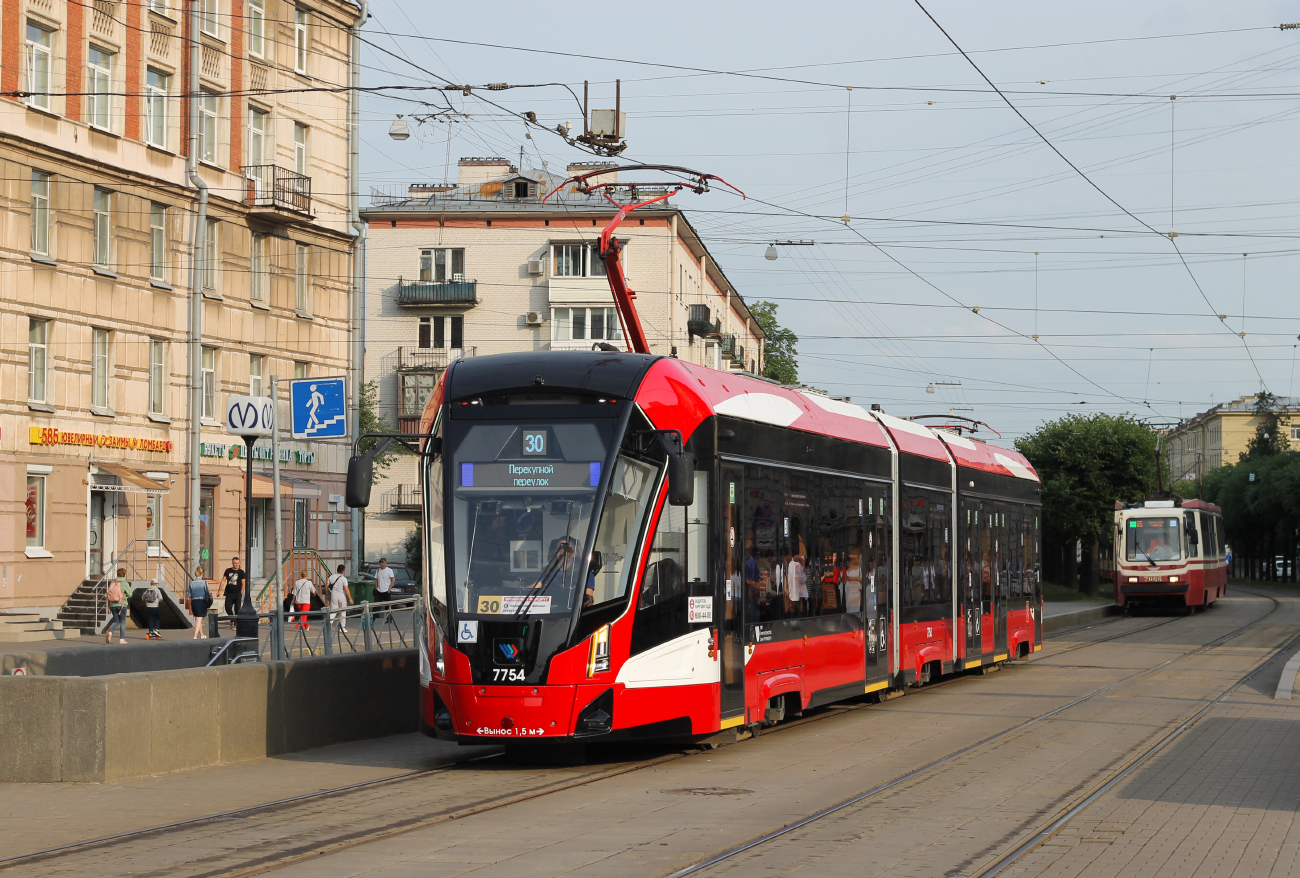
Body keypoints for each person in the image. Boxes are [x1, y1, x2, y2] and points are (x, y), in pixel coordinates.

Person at [105, 567, 131, 644]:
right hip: (122, 604)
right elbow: (130, 594)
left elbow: (106, 594)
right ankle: (121, 639)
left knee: (116, 621)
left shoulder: (113, 583)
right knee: (123, 621)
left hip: (112, 604)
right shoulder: (124, 583)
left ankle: (110, 632)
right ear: (124, 575)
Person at [221, 557, 247, 625]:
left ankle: (236, 624)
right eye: (235, 563)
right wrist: (219, 590)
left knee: (237, 609)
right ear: (232, 563)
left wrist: (241, 593)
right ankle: (232, 620)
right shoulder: (228, 571)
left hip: (237, 593)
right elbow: (223, 580)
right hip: (229, 593)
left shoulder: (241, 572)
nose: (236, 565)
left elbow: (243, 583)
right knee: (227, 608)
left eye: (237, 563)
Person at [187, 567, 212, 639]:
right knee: (199, 619)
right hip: (202, 601)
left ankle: (202, 635)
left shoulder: (191, 583)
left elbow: (189, 595)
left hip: (194, 602)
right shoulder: (204, 583)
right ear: (201, 574)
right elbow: (207, 592)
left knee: (198, 618)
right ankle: (195, 636)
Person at [327, 564, 352, 633]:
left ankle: (328, 624)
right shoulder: (344, 579)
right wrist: (350, 598)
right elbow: (346, 589)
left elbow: (327, 586)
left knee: (333, 611)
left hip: (333, 596)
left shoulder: (331, 577)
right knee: (343, 612)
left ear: (337, 569)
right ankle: (342, 628)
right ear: (343, 571)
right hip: (342, 596)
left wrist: (327, 595)